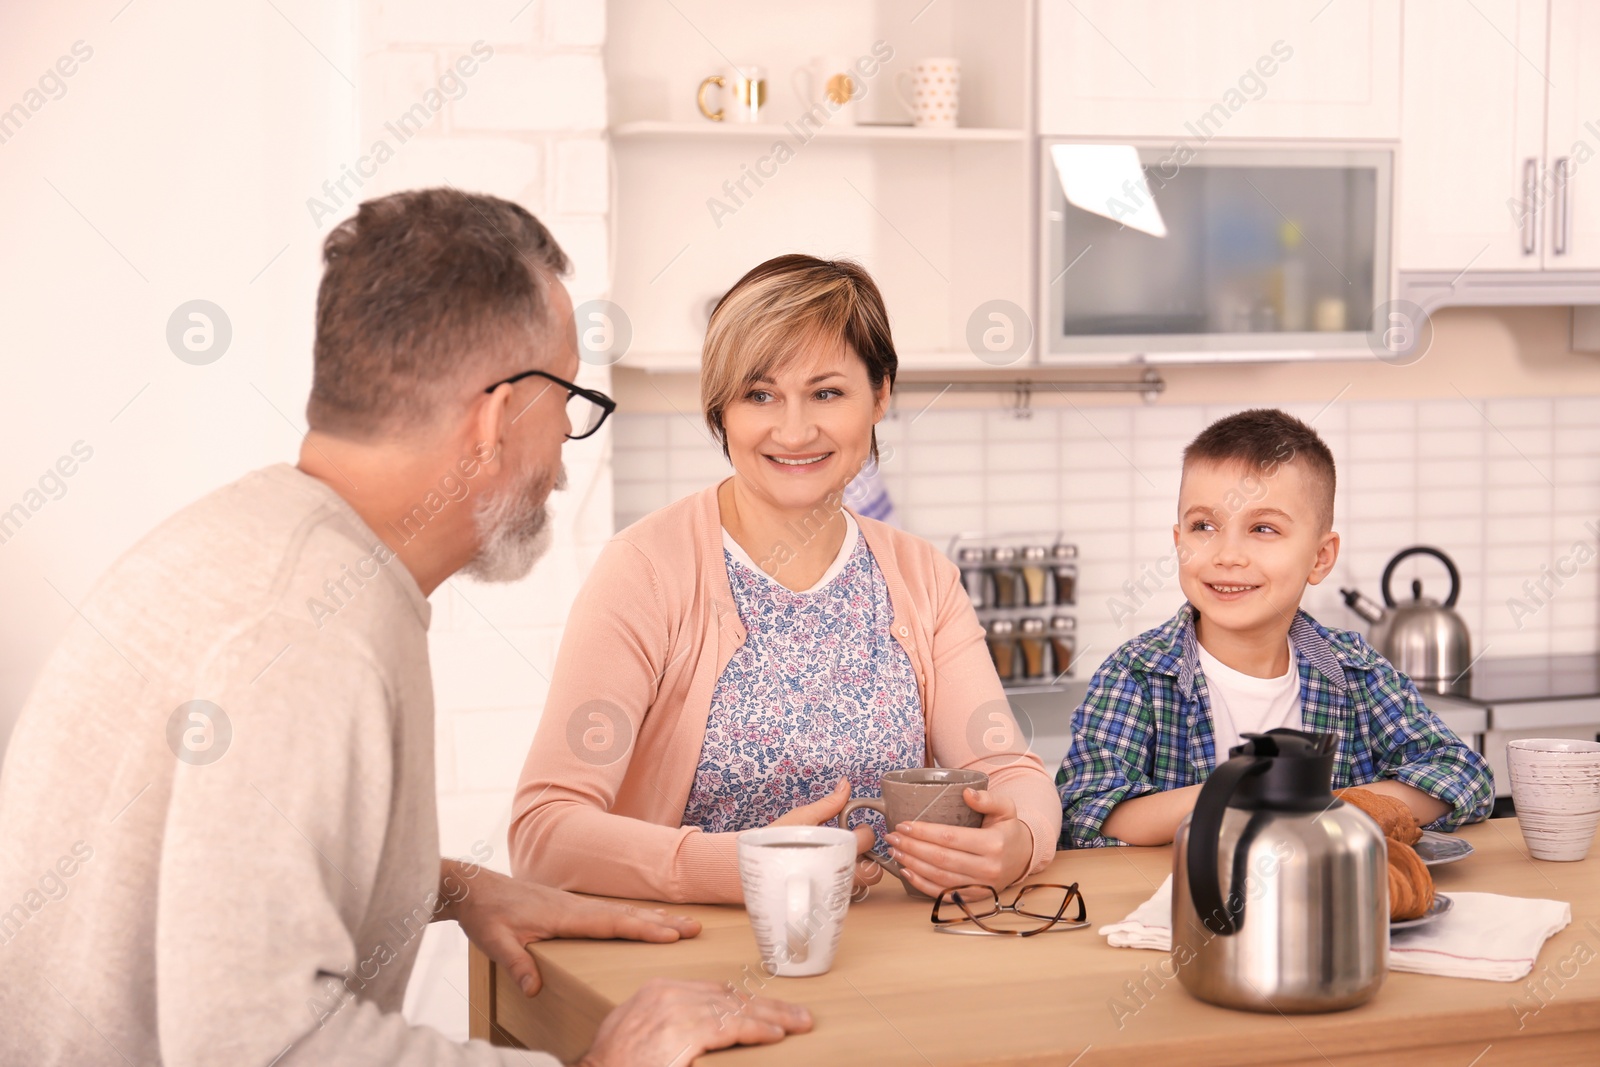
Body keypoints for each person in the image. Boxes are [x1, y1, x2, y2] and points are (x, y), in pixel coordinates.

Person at [0, 190, 810, 1066]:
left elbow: (212, 869)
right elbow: (257, 1048)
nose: (565, 459)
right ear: (497, 419)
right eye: (568, 402)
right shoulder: (312, 635)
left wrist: (448, 888)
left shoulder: (262, 543)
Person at [510, 254, 1062, 904]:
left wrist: (1018, 840)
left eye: (827, 393)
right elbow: (544, 835)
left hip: (898, 957)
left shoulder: (922, 577)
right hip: (696, 968)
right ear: (721, 409)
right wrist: (746, 865)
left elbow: (1009, 769)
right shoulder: (646, 570)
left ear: (880, 394)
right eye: (759, 395)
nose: (794, 429)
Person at [1057, 408, 1494, 848]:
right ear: (1178, 543)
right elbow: (1086, 812)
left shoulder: (1355, 670)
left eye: (1263, 528)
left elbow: (1463, 775)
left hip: (1325, 904)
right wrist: (1250, 797)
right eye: (1203, 526)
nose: (1227, 555)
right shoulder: (1136, 674)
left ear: (1320, 558)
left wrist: (1320, 805)